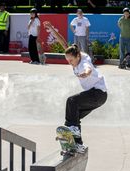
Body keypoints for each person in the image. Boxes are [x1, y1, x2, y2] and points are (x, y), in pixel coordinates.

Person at [44, 21, 108, 150]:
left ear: (78, 56)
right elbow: (64, 43)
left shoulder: (84, 60)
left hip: (98, 94)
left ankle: (73, 132)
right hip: (96, 97)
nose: (70, 63)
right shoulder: (73, 53)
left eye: (71, 61)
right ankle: (78, 144)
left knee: (71, 101)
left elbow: (88, 68)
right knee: (73, 118)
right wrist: (52, 29)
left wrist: (86, 74)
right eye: (68, 61)